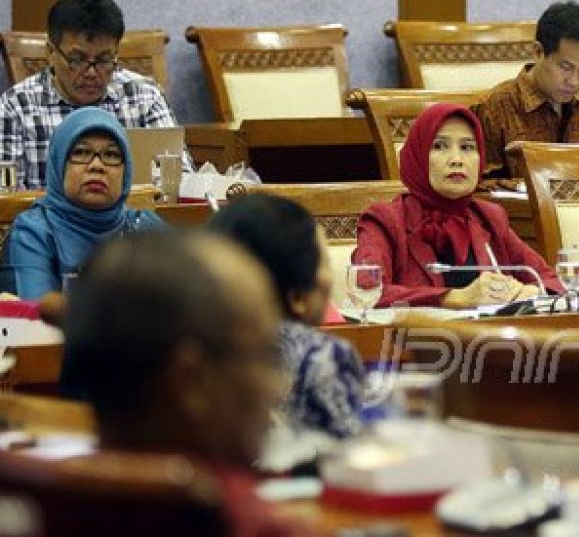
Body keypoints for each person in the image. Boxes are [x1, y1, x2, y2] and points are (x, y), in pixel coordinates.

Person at [64, 232, 316, 536]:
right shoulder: (255, 525)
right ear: (192, 382)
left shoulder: (40, 503)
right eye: (266, 354)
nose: (281, 384)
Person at [355, 102, 564, 307]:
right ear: (417, 155)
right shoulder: (385, 220)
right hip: (416, 340)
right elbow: (367, 291)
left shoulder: (489, 217)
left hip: (492, 339)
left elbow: (551, 280)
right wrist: (453, 298)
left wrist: (533, 291)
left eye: (467, 147)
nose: (457, 159)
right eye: (439, 146)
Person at [207, 193, 365, 439]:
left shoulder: (193, 350)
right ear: (297, 298)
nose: (330, 278)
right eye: (323, 263)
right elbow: (348, 457)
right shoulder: (321, 357)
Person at [0, 0, 190, 189]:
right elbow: (6, 198)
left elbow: (180, 180)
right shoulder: (17, 106)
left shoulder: (144, 96)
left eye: (104, 60)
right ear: (50, 52)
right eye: (77, 60)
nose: (91, 73)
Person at [3, 106, 165, 299]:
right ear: (58, 164)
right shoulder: (33, 232)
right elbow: (41, 312)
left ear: (126, 170)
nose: (97, 166)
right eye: (80, 152)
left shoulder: (144, 226)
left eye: (111, 155)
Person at [474, 0, 579, 178]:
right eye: (565, 67)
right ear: (538, 52)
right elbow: (483, 190)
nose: (574, 81)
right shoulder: (493, 107)